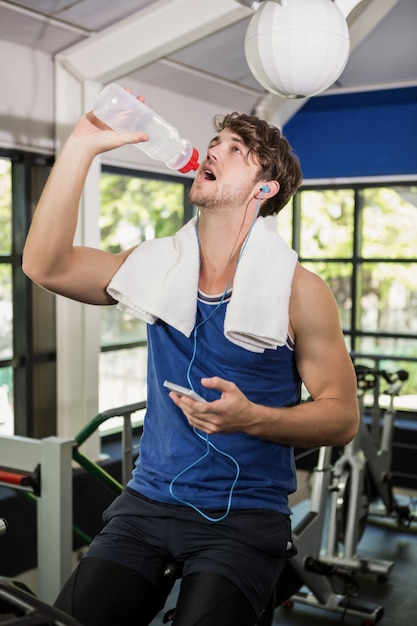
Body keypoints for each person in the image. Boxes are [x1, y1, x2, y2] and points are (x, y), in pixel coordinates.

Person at [22, 98, 359, 626]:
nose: (214, 151)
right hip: (147, 502)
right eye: (216, 143)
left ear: (263, 189)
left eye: (236, 150)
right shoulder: (154, 265)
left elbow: (343, 418)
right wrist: (82, 144)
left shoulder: (300, 292)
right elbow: (46, 264)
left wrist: (253, 418)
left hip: (243, 517)